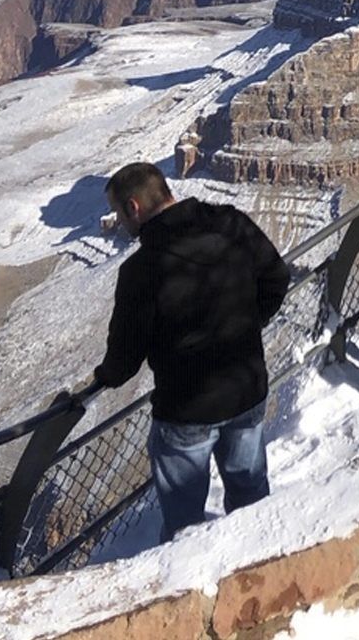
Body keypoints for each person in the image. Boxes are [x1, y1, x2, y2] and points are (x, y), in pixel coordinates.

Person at [91, 163, 290, 544]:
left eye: (118, 213)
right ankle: (260, 567)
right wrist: (245, 324)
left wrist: (103, 377)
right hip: (246, 389)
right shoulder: (230, 223)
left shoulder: (142, 269)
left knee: (185, 529)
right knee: (252, 501)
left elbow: (124, 360)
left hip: (186, 412)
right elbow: (276, 279)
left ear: (133, 207)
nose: (120, 222)